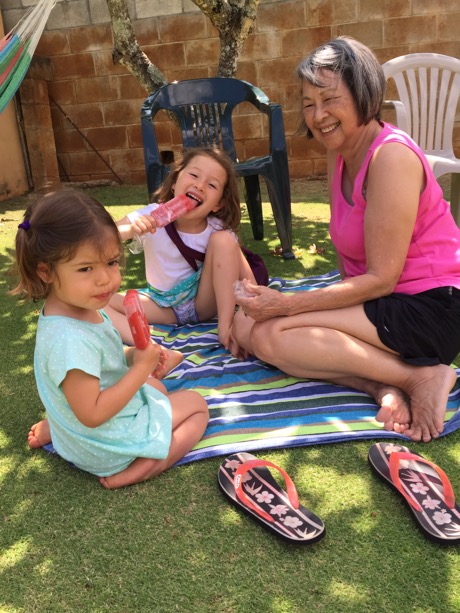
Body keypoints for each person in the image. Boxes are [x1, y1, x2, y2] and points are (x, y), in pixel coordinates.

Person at [231, 36, 460, 444]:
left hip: (431, 307)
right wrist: (316, 313)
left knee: (270, 333)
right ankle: (381, 385)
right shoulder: (340, 152)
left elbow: (382, 279)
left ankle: (422, 376)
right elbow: (348, 260)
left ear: (363, 94)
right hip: (381, 304)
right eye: (308, 103)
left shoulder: (390, 158)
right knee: (249, 326)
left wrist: (289, 305)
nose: (318, 116)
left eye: (329, 99)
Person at [12, 189, 208, 489]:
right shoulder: (69, 339)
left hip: (83, 432)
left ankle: (58, 427)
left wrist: (134, 357)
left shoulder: (78, 306)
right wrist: (141, 368)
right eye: (86, 268)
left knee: (155, 386)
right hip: (105, 447)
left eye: (112, 262)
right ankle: (148, 466)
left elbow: (102, 358)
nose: (105, 279)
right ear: (46, 272)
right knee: (196, 405)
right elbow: (92, 414)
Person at [104, 147, 256, 357]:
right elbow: (103, 236)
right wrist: (132, 229)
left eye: (212, 185)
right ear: (175, 181)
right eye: (194, 175)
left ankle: (225, 329)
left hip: (203, 304)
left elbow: (250, 281)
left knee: (223, 240)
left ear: (218, 203)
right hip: (163, 306)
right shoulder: (150, 214)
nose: (200, 185)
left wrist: (254, 309)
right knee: (98, 302)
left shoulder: (217, 230)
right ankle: (145, 347)